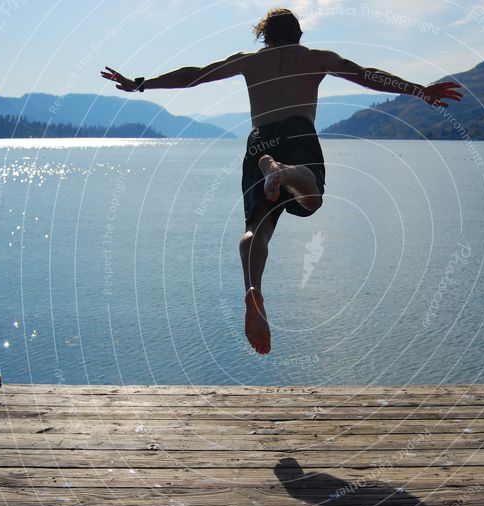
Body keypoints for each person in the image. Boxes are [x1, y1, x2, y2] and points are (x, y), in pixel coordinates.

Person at [102, 8, 462, 355]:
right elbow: (367, 74)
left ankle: (253, 285)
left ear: (264, 39)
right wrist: (420, 90)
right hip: (298, 132)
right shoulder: (316, 57)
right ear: (299, 35)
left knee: (255, 227)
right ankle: (286, 171)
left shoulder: (248, 61)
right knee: (313, 198)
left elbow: (195, 74)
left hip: (260, 140)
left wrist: (141, 83)